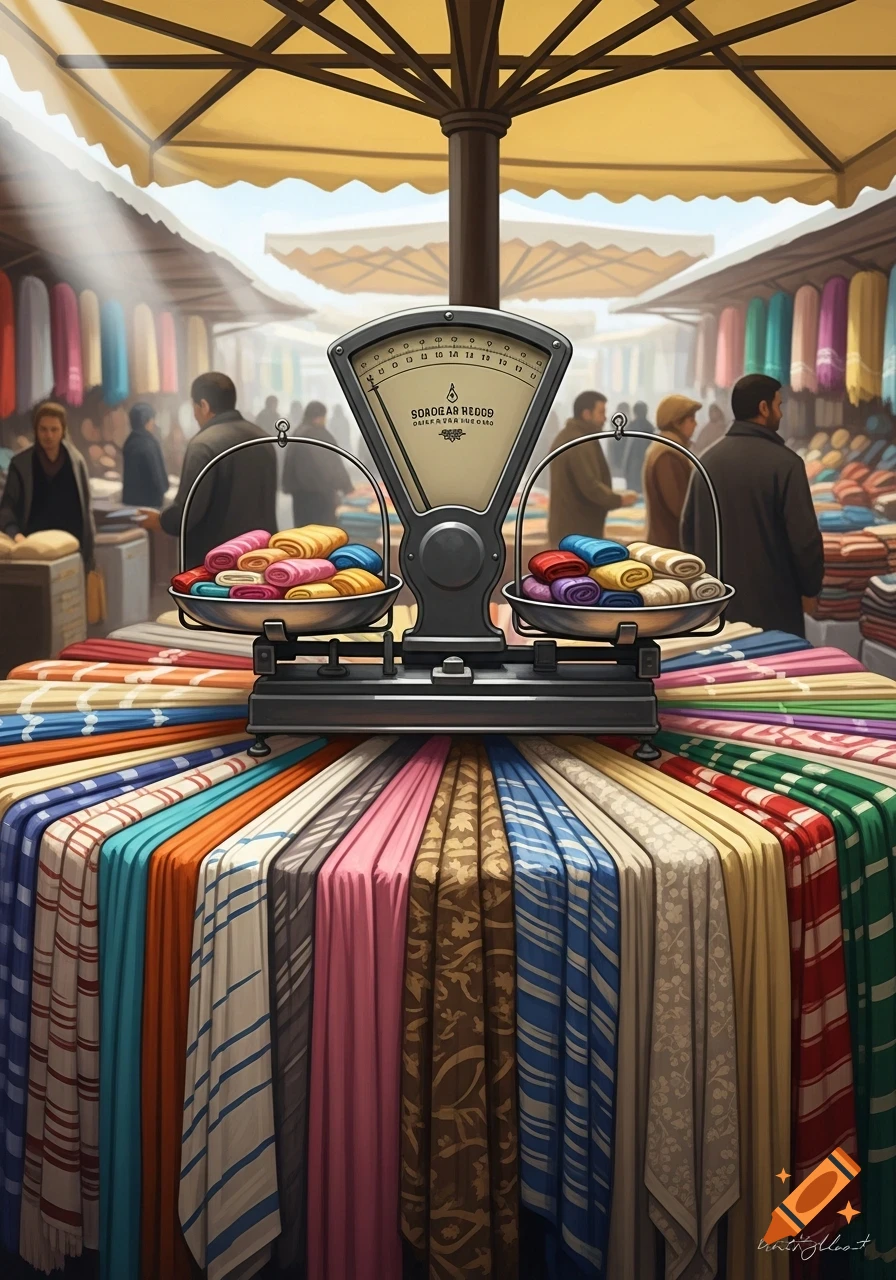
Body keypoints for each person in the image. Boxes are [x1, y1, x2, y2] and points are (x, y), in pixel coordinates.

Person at [681, 373, 823, 637]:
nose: (781, 413)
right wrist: (810, 588)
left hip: (715, 608)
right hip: (774, 608)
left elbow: (688, 531)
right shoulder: (787, 464)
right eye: (779, 405)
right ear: (763, 408)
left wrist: (700, 589)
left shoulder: (706, 461)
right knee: (775, 662)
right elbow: (804, 540)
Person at [137, 372, 277, 569]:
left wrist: (160, 520)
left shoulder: (203, 444)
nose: (195, 415)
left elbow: (187, 513)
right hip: (262, 557)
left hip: (216, 563)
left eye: (194, 407)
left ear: (204, 405)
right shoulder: (263, 438)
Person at [0, 400, 95, 566]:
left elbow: (86, 512)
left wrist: (89, 558)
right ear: (36, 430)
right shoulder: (21, 464)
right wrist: (16, 535)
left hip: (70, 547)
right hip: (33, 548)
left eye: (54, 429)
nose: (48, 435)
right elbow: (7, 508)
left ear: (63, 430)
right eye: (43, 429)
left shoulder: (76, 462)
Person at [547, 390, 637, 547]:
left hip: (573, 529)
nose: (605, 418)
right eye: (601, 412)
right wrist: (619, 499)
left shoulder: (575, 436)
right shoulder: (578, 442)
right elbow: (590, 486)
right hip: (576, 531)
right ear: (587, 414)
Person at [642, 394, 700, 548]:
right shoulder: (667, 455)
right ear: (677, 423)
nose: (696, 424)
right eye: (691, 420)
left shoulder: (667, 449)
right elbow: (680, 506)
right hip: (669, 543)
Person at [282, 400, 352, 527]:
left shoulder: (297, 432)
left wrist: (288, 487)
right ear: (319, 417)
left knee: (304, 532)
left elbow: (288, 464)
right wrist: (346, 486)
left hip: (300, 497)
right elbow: (333, 463)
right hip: (320, 495)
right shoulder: (320, 435)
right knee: (324, 533)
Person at [121, 401, 169, 508]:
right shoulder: (150, 443)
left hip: (129, 504)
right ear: (147, 421)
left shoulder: (129, 443)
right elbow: (159, 481)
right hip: (150, 506)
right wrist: (165, 487)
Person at [621, 400, 656, 492]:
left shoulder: (631, 428)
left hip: (633, 470)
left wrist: (625, 471)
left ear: (635, 412)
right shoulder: (651, 428)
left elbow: (628, 453)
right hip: (647, 469)